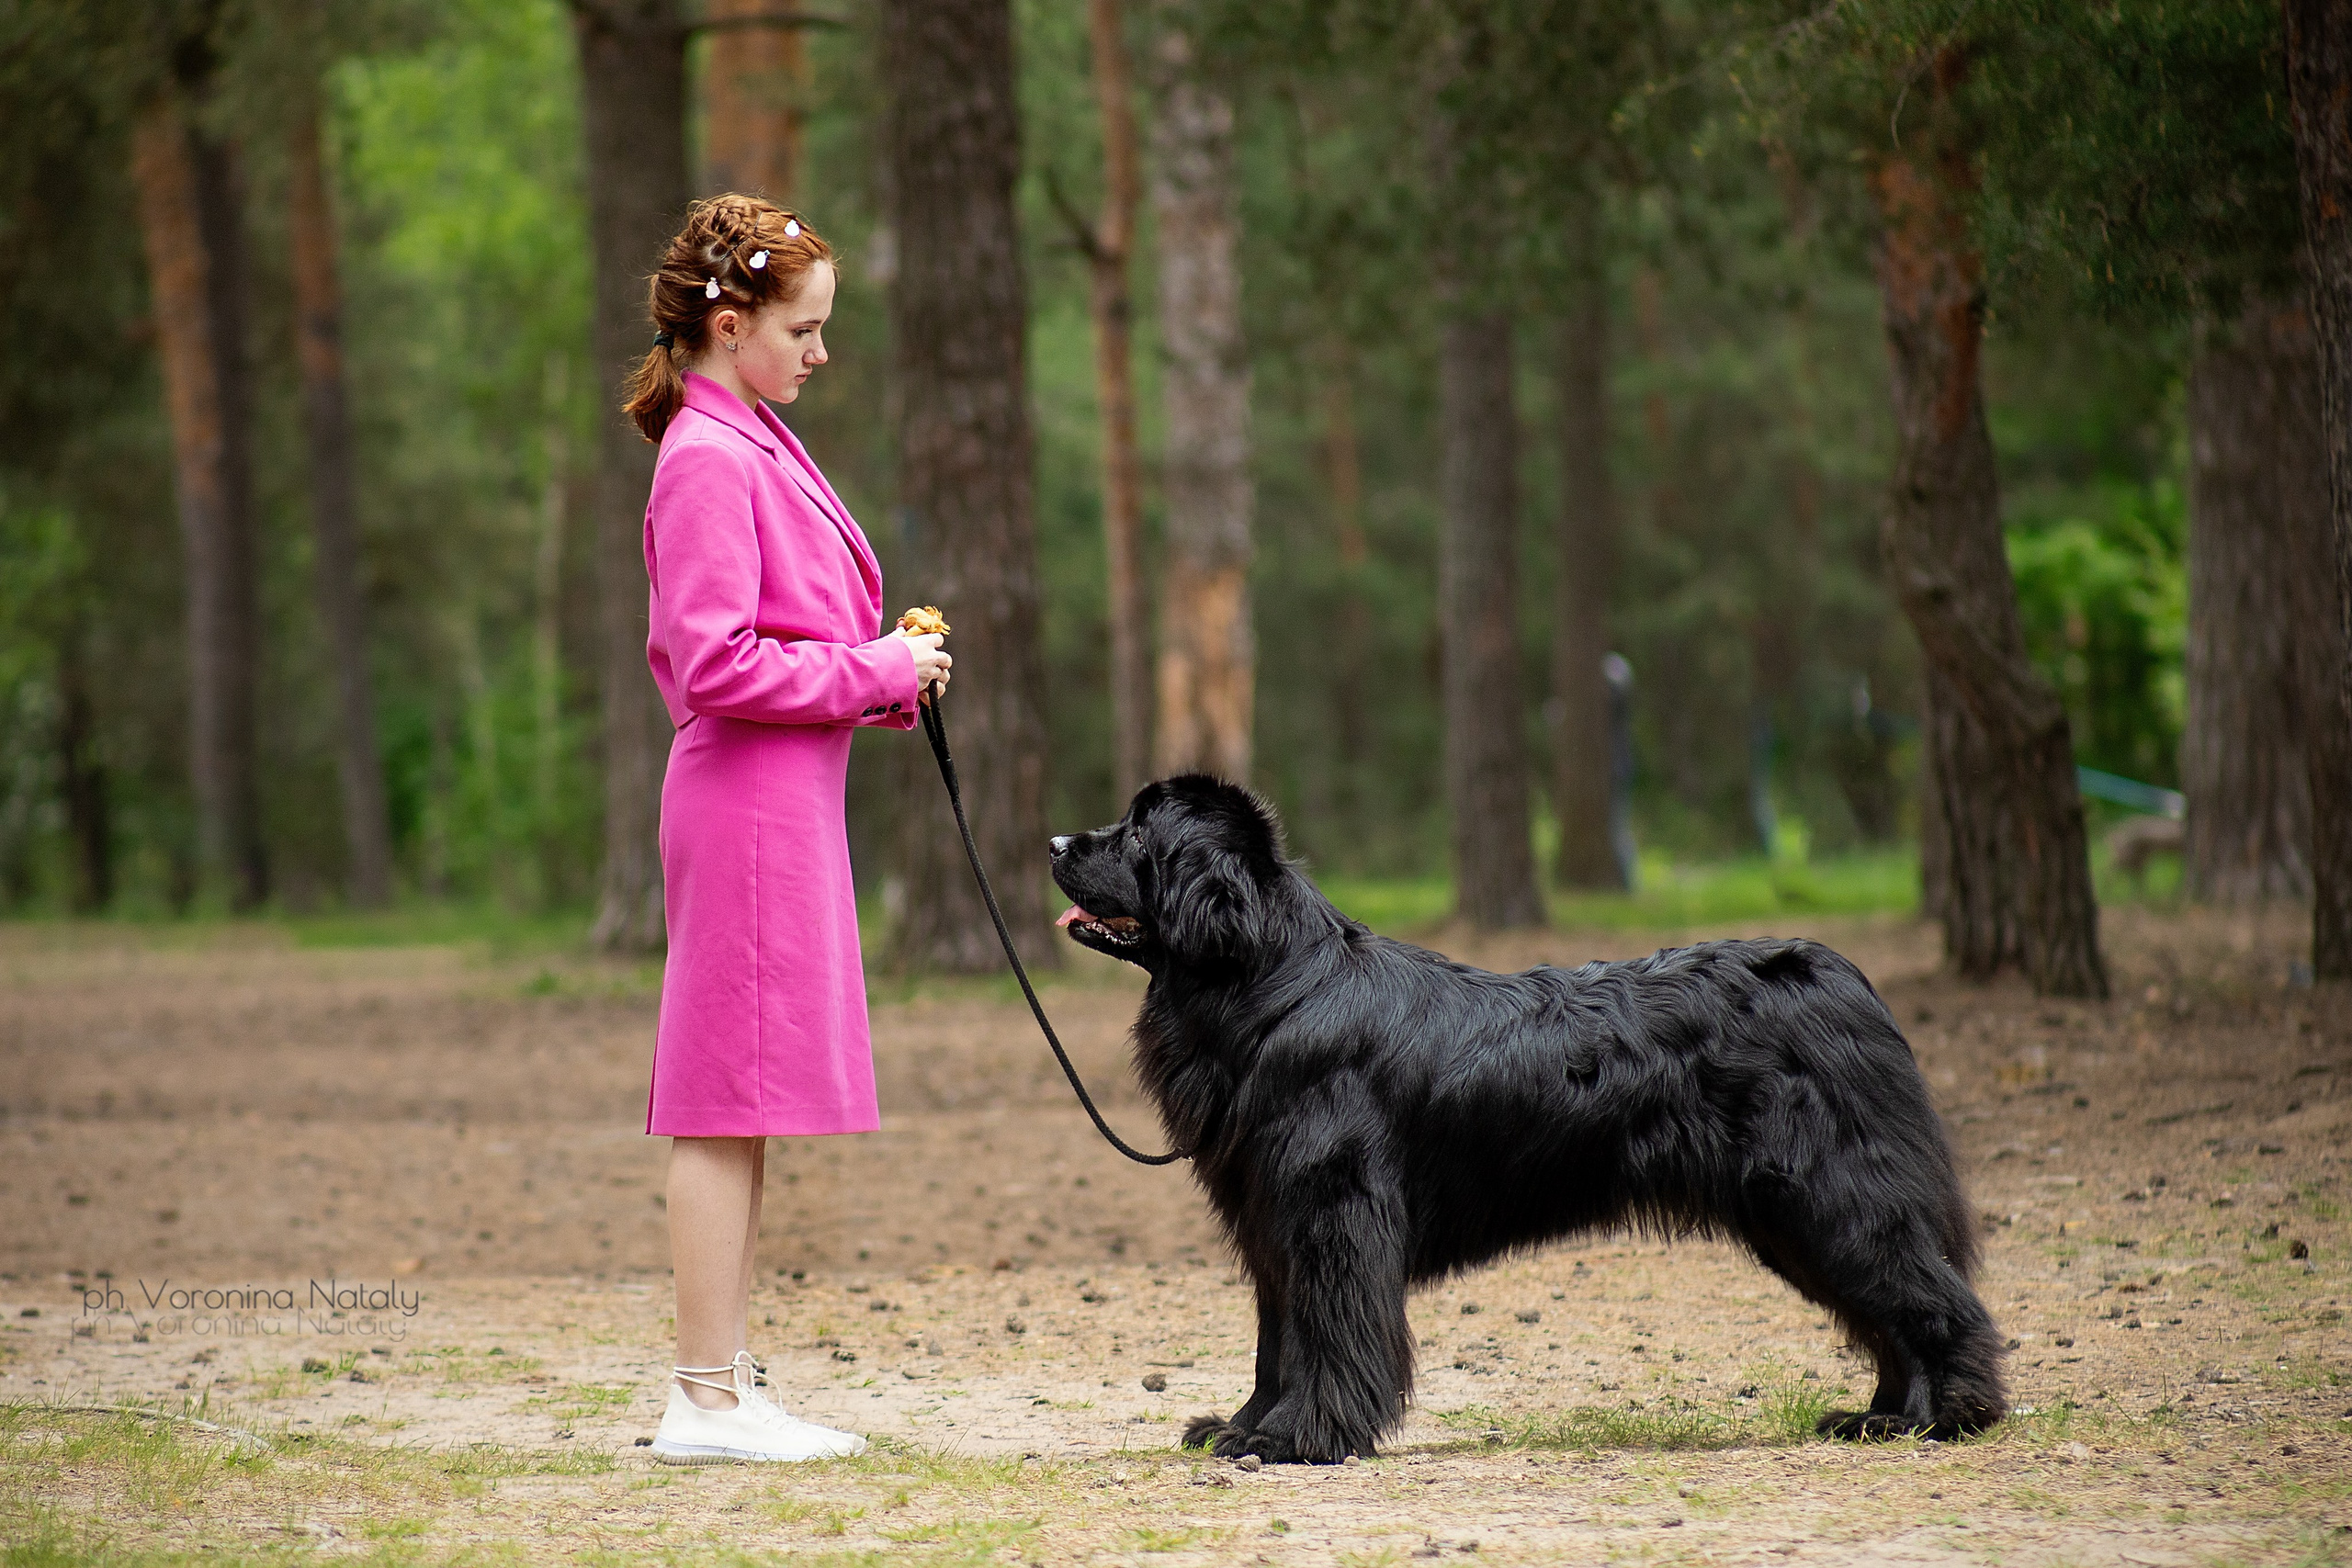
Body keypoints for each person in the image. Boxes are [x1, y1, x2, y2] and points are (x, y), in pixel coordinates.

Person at [621, 194, 951, 1465]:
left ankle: (725, 1383)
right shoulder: (707, 456)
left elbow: (793, 637)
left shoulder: (749, 435)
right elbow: (713, 666)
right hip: (745, 804)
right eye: (802, 329)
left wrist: (884, 674)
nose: (820, 351)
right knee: (719, 1102)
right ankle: (701, 1399)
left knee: (745, 1101)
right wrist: (868, 673)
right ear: (729, 322)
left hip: (787, 797)